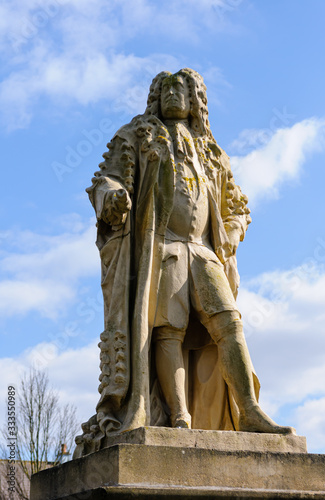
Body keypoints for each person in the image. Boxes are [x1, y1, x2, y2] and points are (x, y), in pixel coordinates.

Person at [74, 68, 294, 458]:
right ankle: (178, 418)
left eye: (184, 89)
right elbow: (105, 181)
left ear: (196, 99)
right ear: (155, 96)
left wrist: (232, 228)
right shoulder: (137, 136)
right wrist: (112, 197)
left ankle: (250, 410)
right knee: (167, 329)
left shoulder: (211, 150)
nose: (175, 94)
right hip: (163, 248)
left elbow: (236, 204)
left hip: (204, 251)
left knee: (229, 322)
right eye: (167, 88)